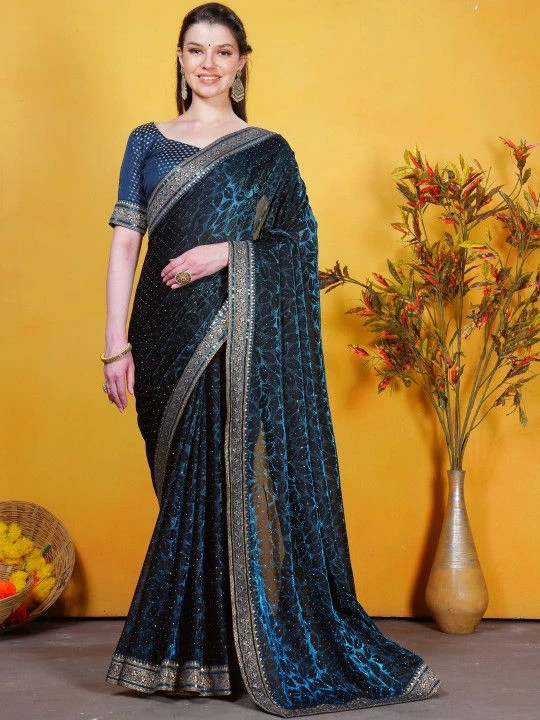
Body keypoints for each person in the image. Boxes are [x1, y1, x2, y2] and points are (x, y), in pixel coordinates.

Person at [102, 3, 440, 715]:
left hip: (236, 331)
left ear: (242, 63)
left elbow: (299, 243)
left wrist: (227, 253)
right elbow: (126, 243)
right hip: (160, 333)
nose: (208, 64)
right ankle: (204, 645)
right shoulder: (146, 141)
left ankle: (221, 649)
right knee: (183, 483)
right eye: (196, 50)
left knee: (222, 477)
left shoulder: (268, 151)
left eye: (223, 52)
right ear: (179, 58)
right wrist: (114, 344)